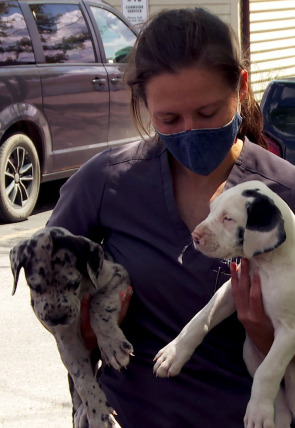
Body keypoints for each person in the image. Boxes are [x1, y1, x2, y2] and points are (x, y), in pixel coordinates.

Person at [47, 8, 295, 427]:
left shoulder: (281, 198)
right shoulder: (106, 184)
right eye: (169, 119)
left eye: (207, 113)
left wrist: (267, 336)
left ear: (241, 88)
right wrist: (89, 334)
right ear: (144, 106)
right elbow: (49, 287)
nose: (190, 130)